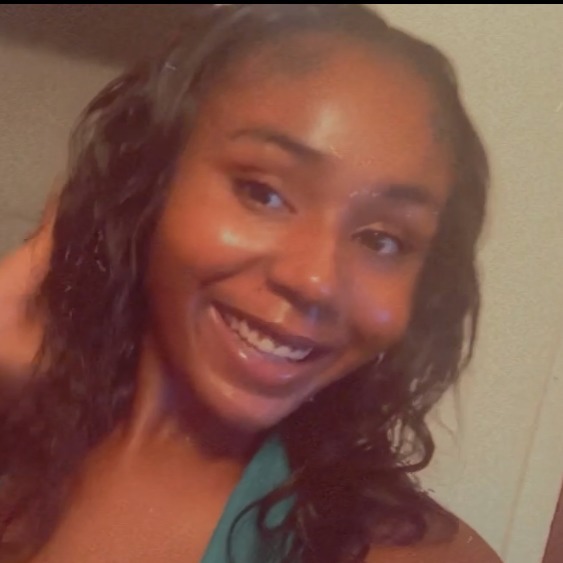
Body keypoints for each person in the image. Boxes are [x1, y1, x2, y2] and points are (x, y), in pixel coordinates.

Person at [0, 4, 501, 563]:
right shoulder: (24, 429)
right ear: (150, 182)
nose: (315, 281)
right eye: (263, 193)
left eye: (382, 240)